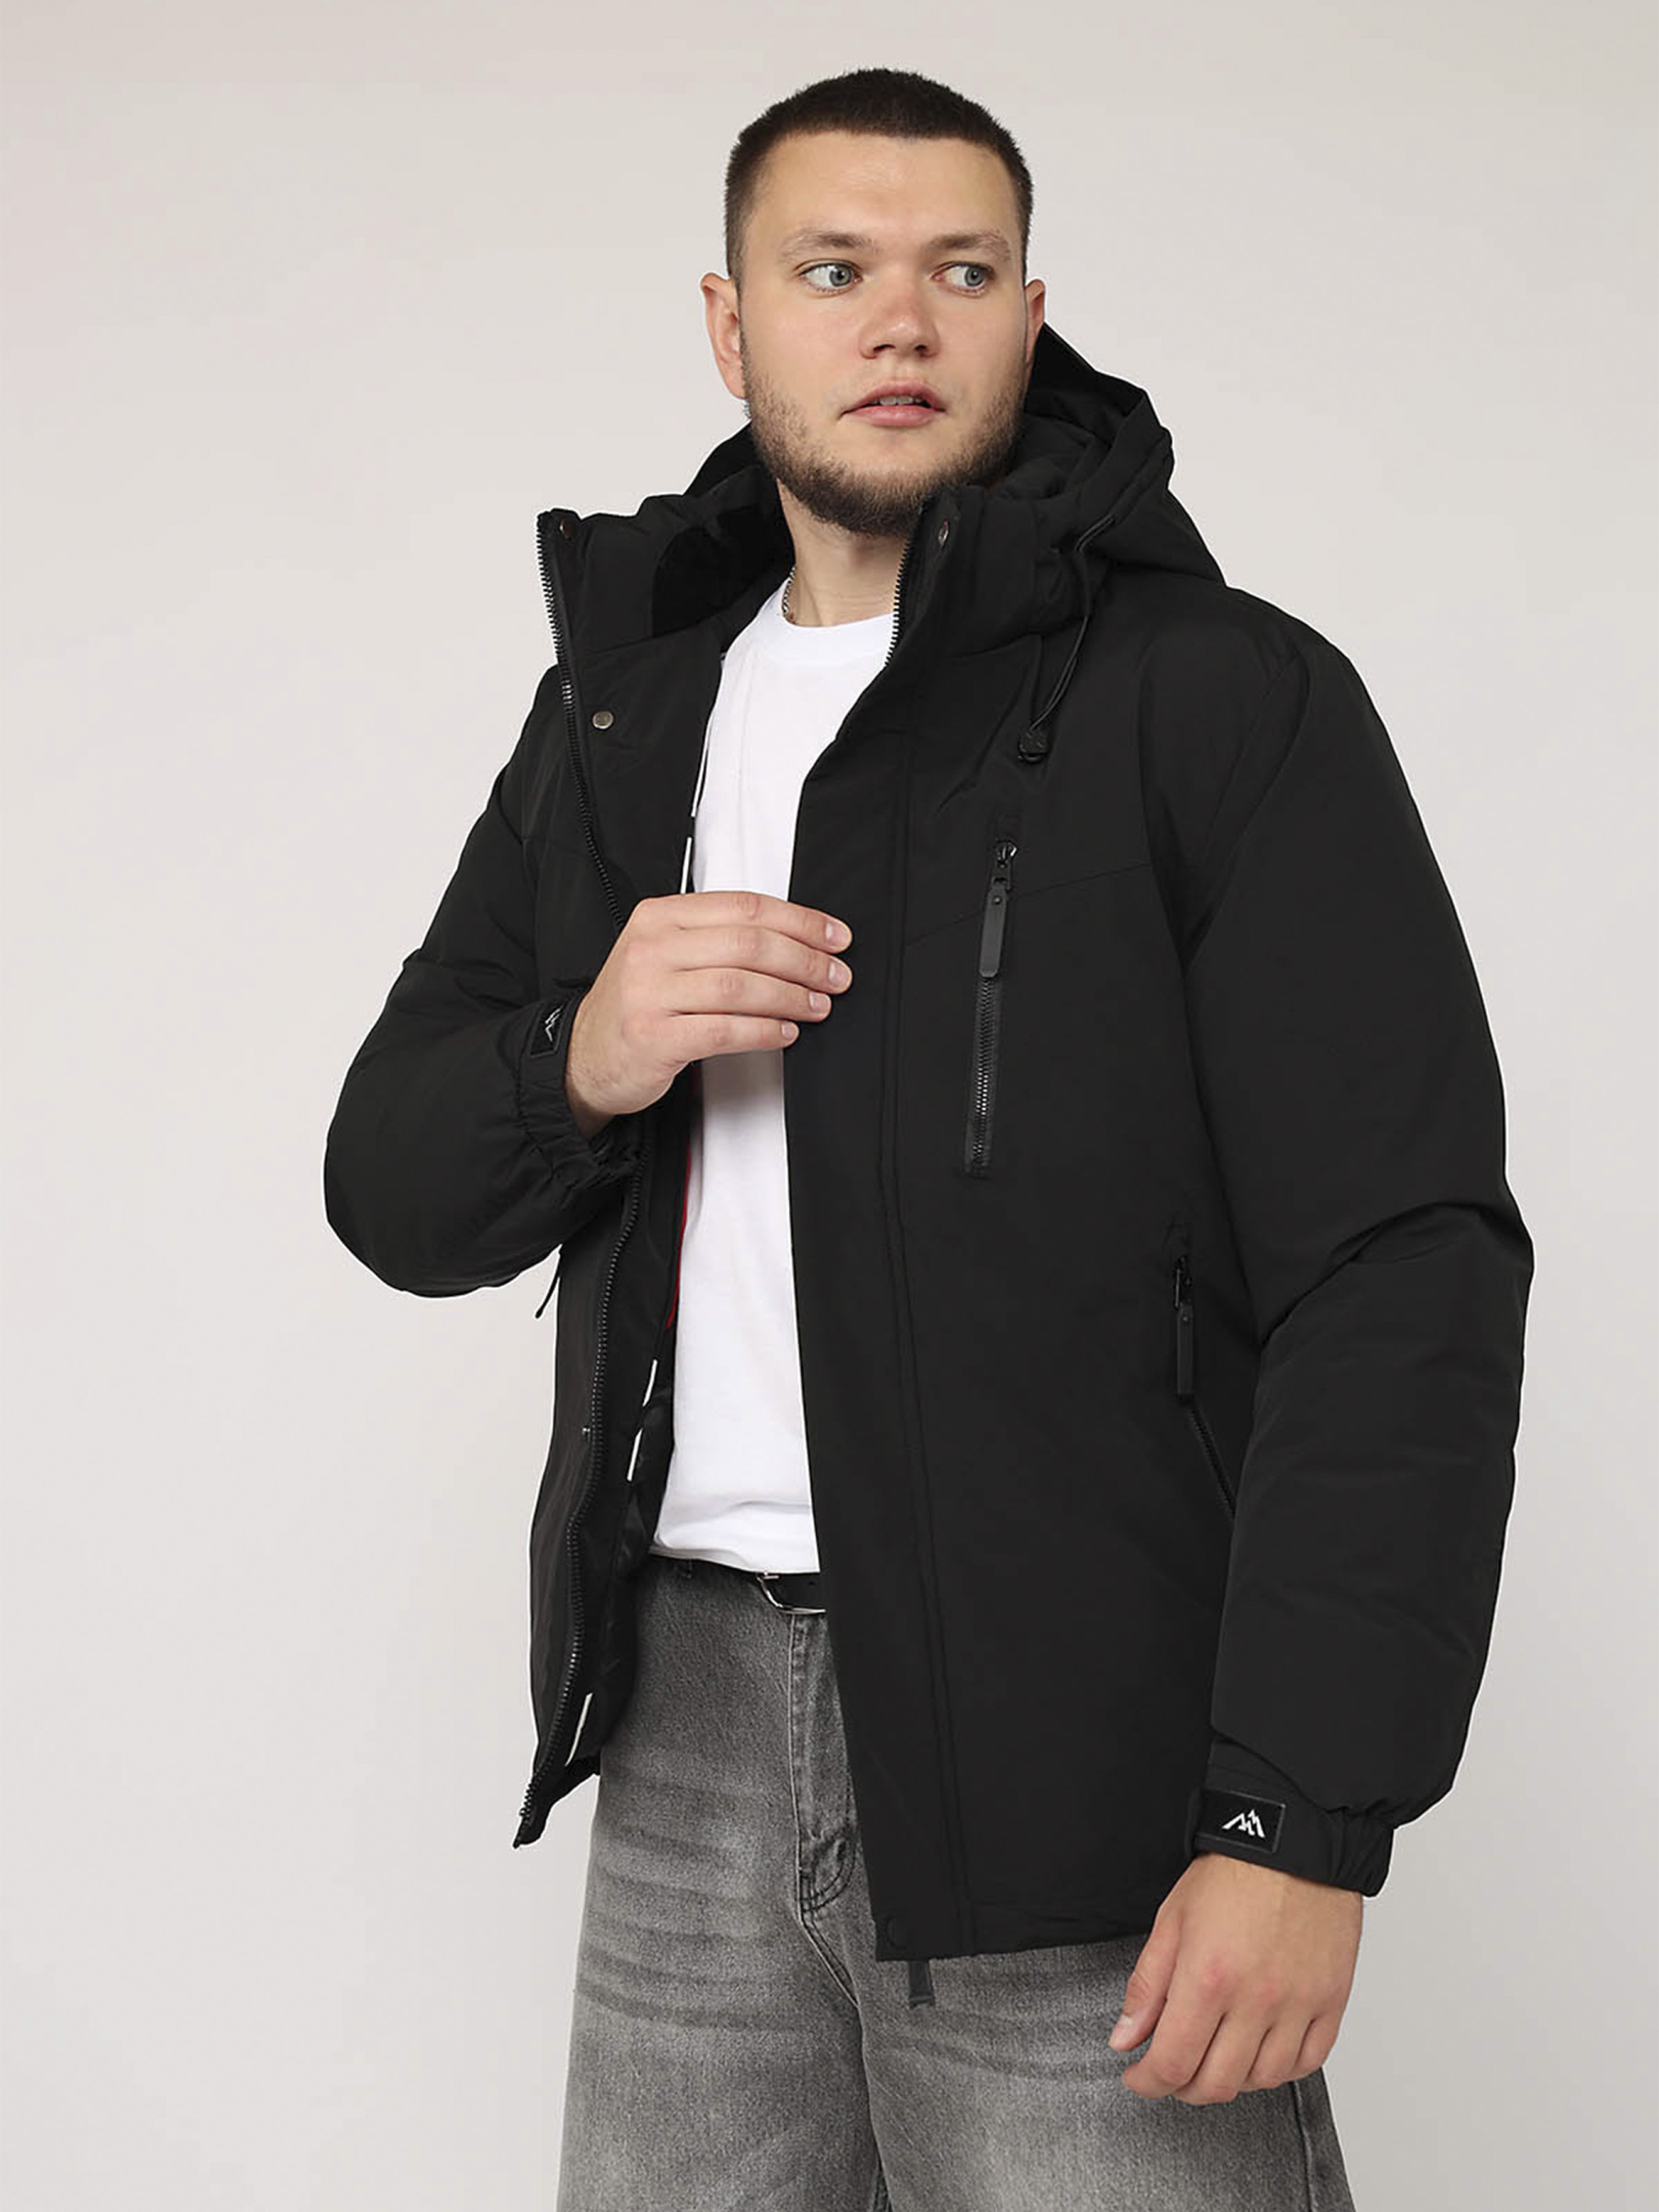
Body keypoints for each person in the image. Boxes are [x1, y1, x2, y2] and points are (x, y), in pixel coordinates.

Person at [323, 65, 1533, 2212]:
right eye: (833, 271)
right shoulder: (628, 720)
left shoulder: (1217, 698)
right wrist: (586, 1047)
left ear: (1027, 314)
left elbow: (1400, 1262)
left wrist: (1299, 1815)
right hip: (685, 1732)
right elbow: (391, 1183)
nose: (900, 320)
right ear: (730, 328)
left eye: (960, 272)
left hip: (1076, 1738)